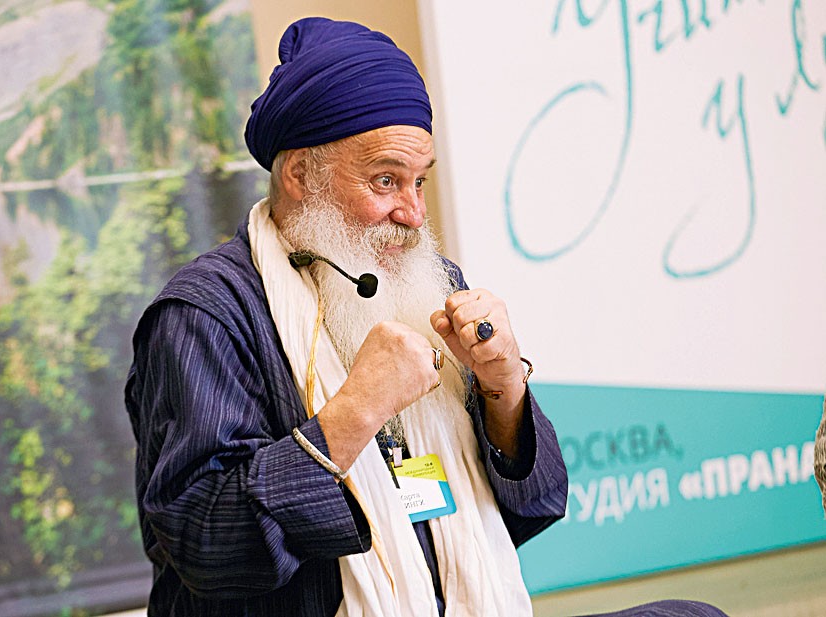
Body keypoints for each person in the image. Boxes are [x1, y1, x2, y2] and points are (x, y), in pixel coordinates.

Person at [124, 17, 728, 617]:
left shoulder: (431, 283)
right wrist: (355, 412)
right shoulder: (204, 315)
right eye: (386, 180)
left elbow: (533, 506)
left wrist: (504, 387)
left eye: (418, 182)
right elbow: (206, 545)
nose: (413, 213)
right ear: (300, 175)